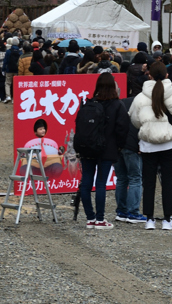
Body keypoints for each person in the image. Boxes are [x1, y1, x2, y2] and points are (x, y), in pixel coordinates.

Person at [130, 61, 172, 230]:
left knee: (148, 183)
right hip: (169, 143)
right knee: (168, 182)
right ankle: (167, 219)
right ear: (167, 76)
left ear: (149, 75)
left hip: (148, 144)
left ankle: (149, 219)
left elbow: (134, 120)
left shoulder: (140, 98)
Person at [77, 73, 130, 229]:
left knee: (86, 182)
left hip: (87, 148)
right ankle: (100, 220)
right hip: (107, 149)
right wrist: (119, 146)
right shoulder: (117, 105)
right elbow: (123, 129)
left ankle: (90, 218)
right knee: (101, 183)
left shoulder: (89, 103)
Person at [115, 77, 147, 224]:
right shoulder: (144, 105)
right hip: (133, 145)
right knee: (135, 178)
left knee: (122, 179)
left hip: (117, 145)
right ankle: (133, 212)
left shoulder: (122, 102)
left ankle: (121, 211)